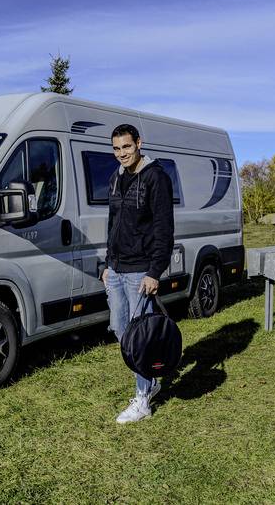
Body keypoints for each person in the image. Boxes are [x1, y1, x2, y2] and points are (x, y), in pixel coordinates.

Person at [103, 124, 175, 424]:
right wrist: (107, 264)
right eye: (117, 148)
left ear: (139, 144)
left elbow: (164, 229)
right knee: (121, 331)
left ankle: (142, 399)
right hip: (117, 270)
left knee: (139, 339)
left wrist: (154, 271)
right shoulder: (116, 179)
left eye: (127, 147)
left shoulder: (156, 177)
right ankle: (152, 381)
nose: (122, 154)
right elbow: (113, 223)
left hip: (140, 272)